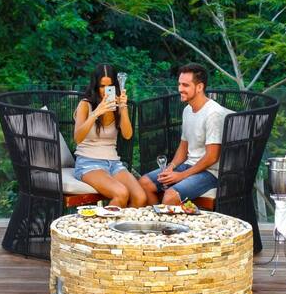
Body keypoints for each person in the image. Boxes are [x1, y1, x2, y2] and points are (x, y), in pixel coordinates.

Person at [139, 63, 231, 206]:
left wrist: (180, 176)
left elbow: (212, 157)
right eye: (180, 84)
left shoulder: (213, 114)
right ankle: (160, 221)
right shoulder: (188, 109)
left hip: (210, 172)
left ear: (200, 87)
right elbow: (184, 145)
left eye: (186, 85)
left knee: (170, 196)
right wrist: (171, 166)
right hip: (188, 165)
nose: (180, 89)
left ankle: (169, 226)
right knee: (145, 183)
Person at [73, 64, 147, 208]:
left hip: (114, 163)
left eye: (110, 86)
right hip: (88, 163)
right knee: (121, 193)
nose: (105, 92)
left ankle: (123, 229)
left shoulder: (117, 105)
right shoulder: (85, 105)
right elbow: (78, 138)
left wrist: (123, 108)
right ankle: (100, 229)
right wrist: (96, 113)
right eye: (102, 86)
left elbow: (127, 135)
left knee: (140, 198)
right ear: (95, 86)